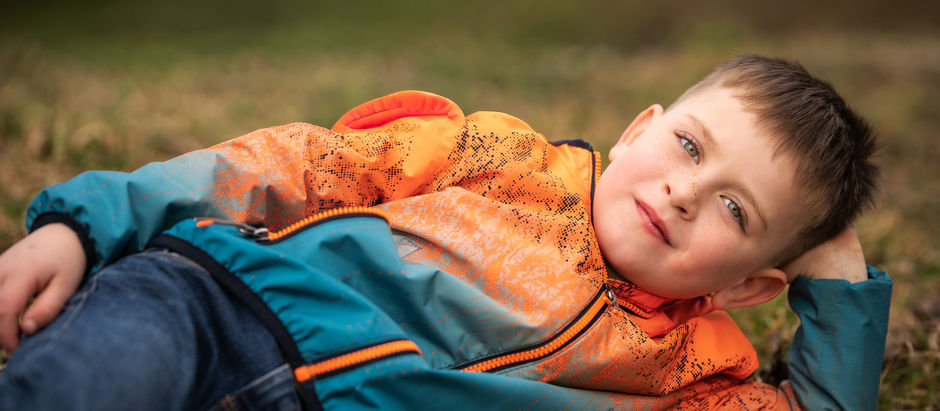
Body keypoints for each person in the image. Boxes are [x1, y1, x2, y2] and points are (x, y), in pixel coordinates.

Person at [0, 55, 891, 410]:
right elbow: (297, 163)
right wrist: (87, 227)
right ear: (638, 129)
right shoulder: (501, 155)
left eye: (738, 210)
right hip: (219, 306)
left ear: (750, 284)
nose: (687, 192)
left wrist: (840, 275)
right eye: (688, 147)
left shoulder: (693, 372)